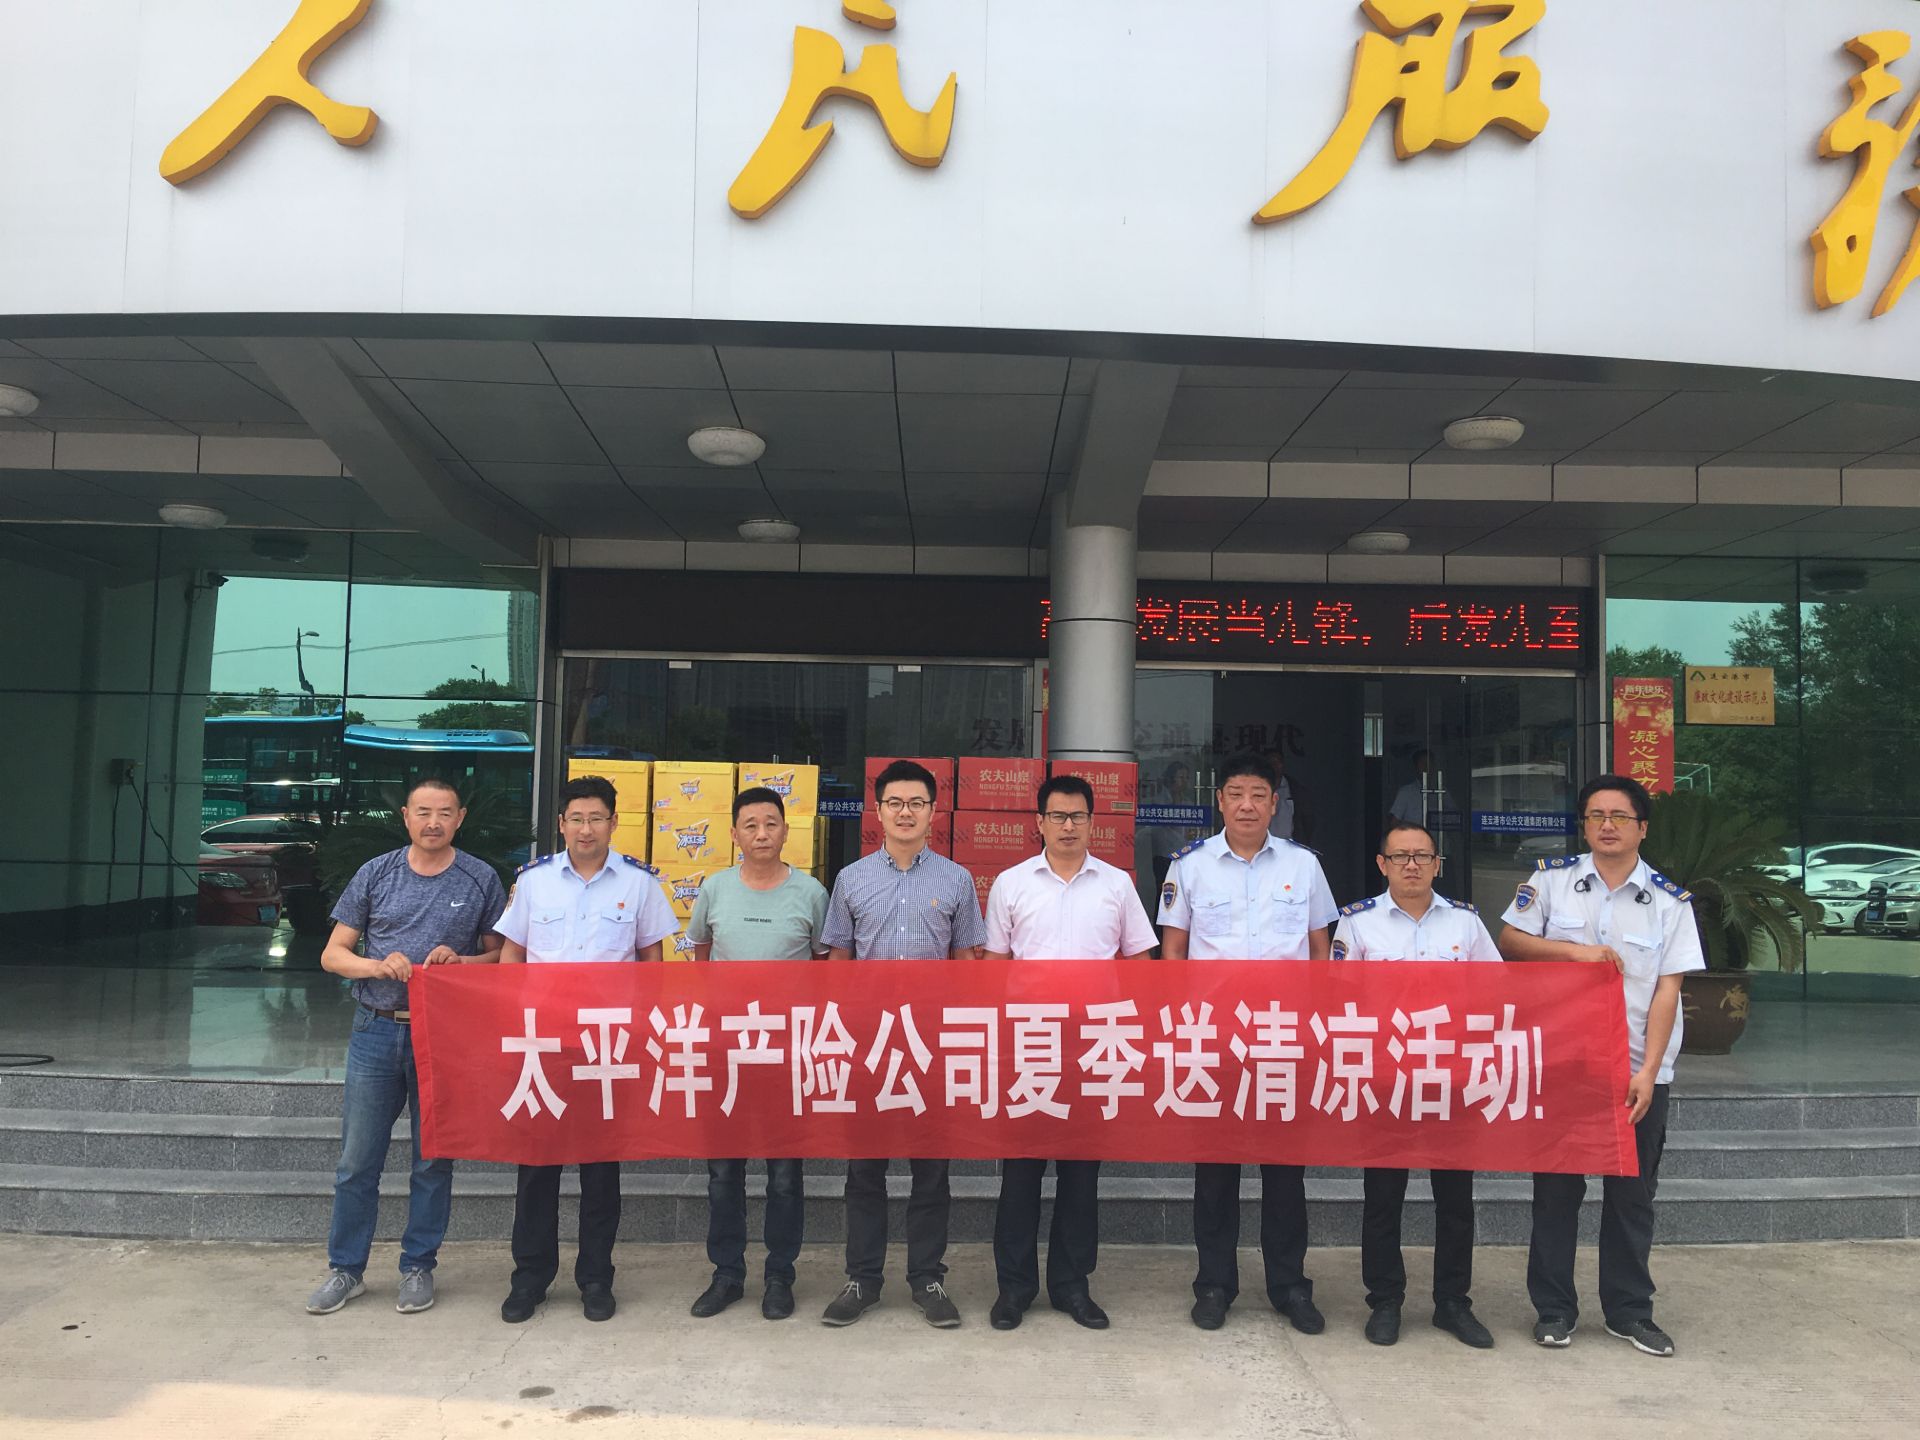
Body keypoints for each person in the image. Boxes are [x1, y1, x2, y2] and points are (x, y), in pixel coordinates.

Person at [1497, 773, 1703, 1358]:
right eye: (1595, 816)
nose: (1607, 826)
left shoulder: (1669, 902)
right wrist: (1574, 953)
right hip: (1563, 1065)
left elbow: (1667, 992)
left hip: (1635, 1072)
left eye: (1619, 816)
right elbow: (1510, 941)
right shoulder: (1551, 882)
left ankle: (1630, 1311)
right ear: (1584, 825)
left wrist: (1650, 1071)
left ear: (1642, 828)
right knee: (1556, 1193)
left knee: (1632, 1198)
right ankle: (1554, 1310)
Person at [304, 777, 507, 1317]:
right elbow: (332, 954)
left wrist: (461, 963)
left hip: (444, 1035)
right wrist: (376, 965)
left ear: (460, 818)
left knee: (432, 1159)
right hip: (375, 1030)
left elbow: (504, 959)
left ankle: (418, 1266)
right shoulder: (376, 872)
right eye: (423, 811)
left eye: (444, 812)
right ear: (405, 816)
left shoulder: (480, 877)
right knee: (357, 1161)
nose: (433, 822)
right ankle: (346, 1269)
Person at [1159, 753, 1337, 1334]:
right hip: (1215, 1040)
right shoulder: (1189, 867)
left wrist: (1314, 1025)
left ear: (1274, 802)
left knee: (1285, 1172)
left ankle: (1290, 1286)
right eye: (1236, 793)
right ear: (1220, 801)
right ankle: (1214, 1284)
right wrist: (1182, 1029)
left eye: (1258, 794)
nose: (1246, 805)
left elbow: (1320, 949)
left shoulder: (1304, 866)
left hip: (1284, 1039)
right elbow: (1174, 952)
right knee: (1215, 1172)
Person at [492, 774, 678, 1325]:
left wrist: (642, 1031)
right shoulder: (535, 882)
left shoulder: (639, 884)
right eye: (576, 818)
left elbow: (652, 963)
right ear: (561, 824)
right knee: (536, 1168)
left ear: (614, 822)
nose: (586, 828)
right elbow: (512, 955)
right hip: (544, 1044)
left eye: (597, 818)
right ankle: (530, 1278)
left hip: (608, 1046)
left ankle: (596, 1278)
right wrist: (515, 1021)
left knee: (601, 1170)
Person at [982, 774, 1158, 1332]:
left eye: (1077, 816)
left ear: (1092, 823)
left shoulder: (1116, 884)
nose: (1067, 826)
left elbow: (1141, 964)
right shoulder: (1011, 884)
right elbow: (994, 969)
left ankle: (1072, 1285)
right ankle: (1014, 1288)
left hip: (1093, 1045)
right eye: (1057, 816)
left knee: (1081, 1175)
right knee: (1020, 1175)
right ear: (1038, 822)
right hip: (1028, 1044)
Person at [818, 759, 987, 1329]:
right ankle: (862, 1279)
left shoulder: (957, 880)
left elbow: (966, 966)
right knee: (864, 1170)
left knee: (931, 1170)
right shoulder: (851, 879)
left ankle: (927, 1279)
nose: (906, 812)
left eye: (917, 803)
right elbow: (839, 962)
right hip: (869, 1044)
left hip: (930, 1046)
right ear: (879, 811)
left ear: (933, 812)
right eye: (895, 803)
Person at [1331, 819, 1501, 1350]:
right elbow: (1339, 999)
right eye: (1400, 856)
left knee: (1456, 1199)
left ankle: (1453, 1302)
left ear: (1437, 865)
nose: (1411, 865)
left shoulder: (1466, 924)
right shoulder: (1357, 924)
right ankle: (1385, 1300)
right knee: (1384, 1197)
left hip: (1451, 1077)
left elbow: (1496, 991)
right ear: (1381, 864)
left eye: (1422, 856)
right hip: (1387, 1078)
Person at [684, 785, 830, 1322]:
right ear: (733, 834)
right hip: (726, 1052)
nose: (761, 834)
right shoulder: (714, 889)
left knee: (785, 1175)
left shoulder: (811, 892)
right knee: (723, 1173)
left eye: (771, 824)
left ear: (786, 831)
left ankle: (779, 1276)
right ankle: (726, 1274)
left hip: (786, 1055)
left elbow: (824, 968)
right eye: (751, 825)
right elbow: (701, 958)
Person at [1262, 742, 1315, 845]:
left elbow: (1307, 821)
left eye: (1278, 762)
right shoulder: (1256, 789)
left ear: (1283, 764)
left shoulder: (1295, 790)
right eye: (1271, 762)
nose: (1275, 766)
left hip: (1289, 846)